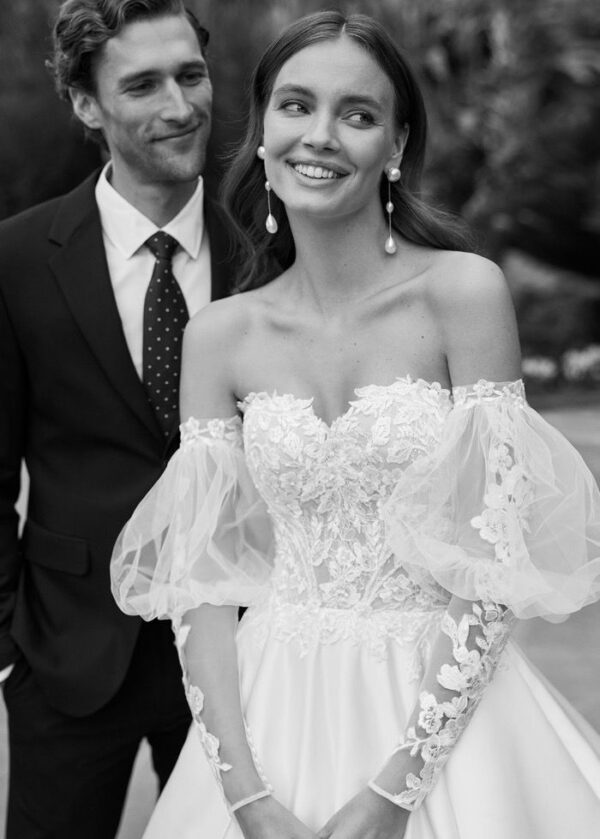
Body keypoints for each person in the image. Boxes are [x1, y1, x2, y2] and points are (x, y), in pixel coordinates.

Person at [111, 10, 600, 839]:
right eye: (296, 106)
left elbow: (488, 566)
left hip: (444, 718)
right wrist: (245, 797)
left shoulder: (464, 294)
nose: (322, 136)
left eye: (359, 114)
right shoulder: (221, 335)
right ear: (262, 132)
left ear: (396, 146)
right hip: (271, 711)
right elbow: (200, 594)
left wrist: (396, 791)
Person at [0, 0, 235, 836]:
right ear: (86, 105)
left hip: (247, 660)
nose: (179, 106)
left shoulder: (272, 249)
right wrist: (8, 654)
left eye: (190, 74)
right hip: (66, 658)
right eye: (142, 85)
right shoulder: (18, 258)